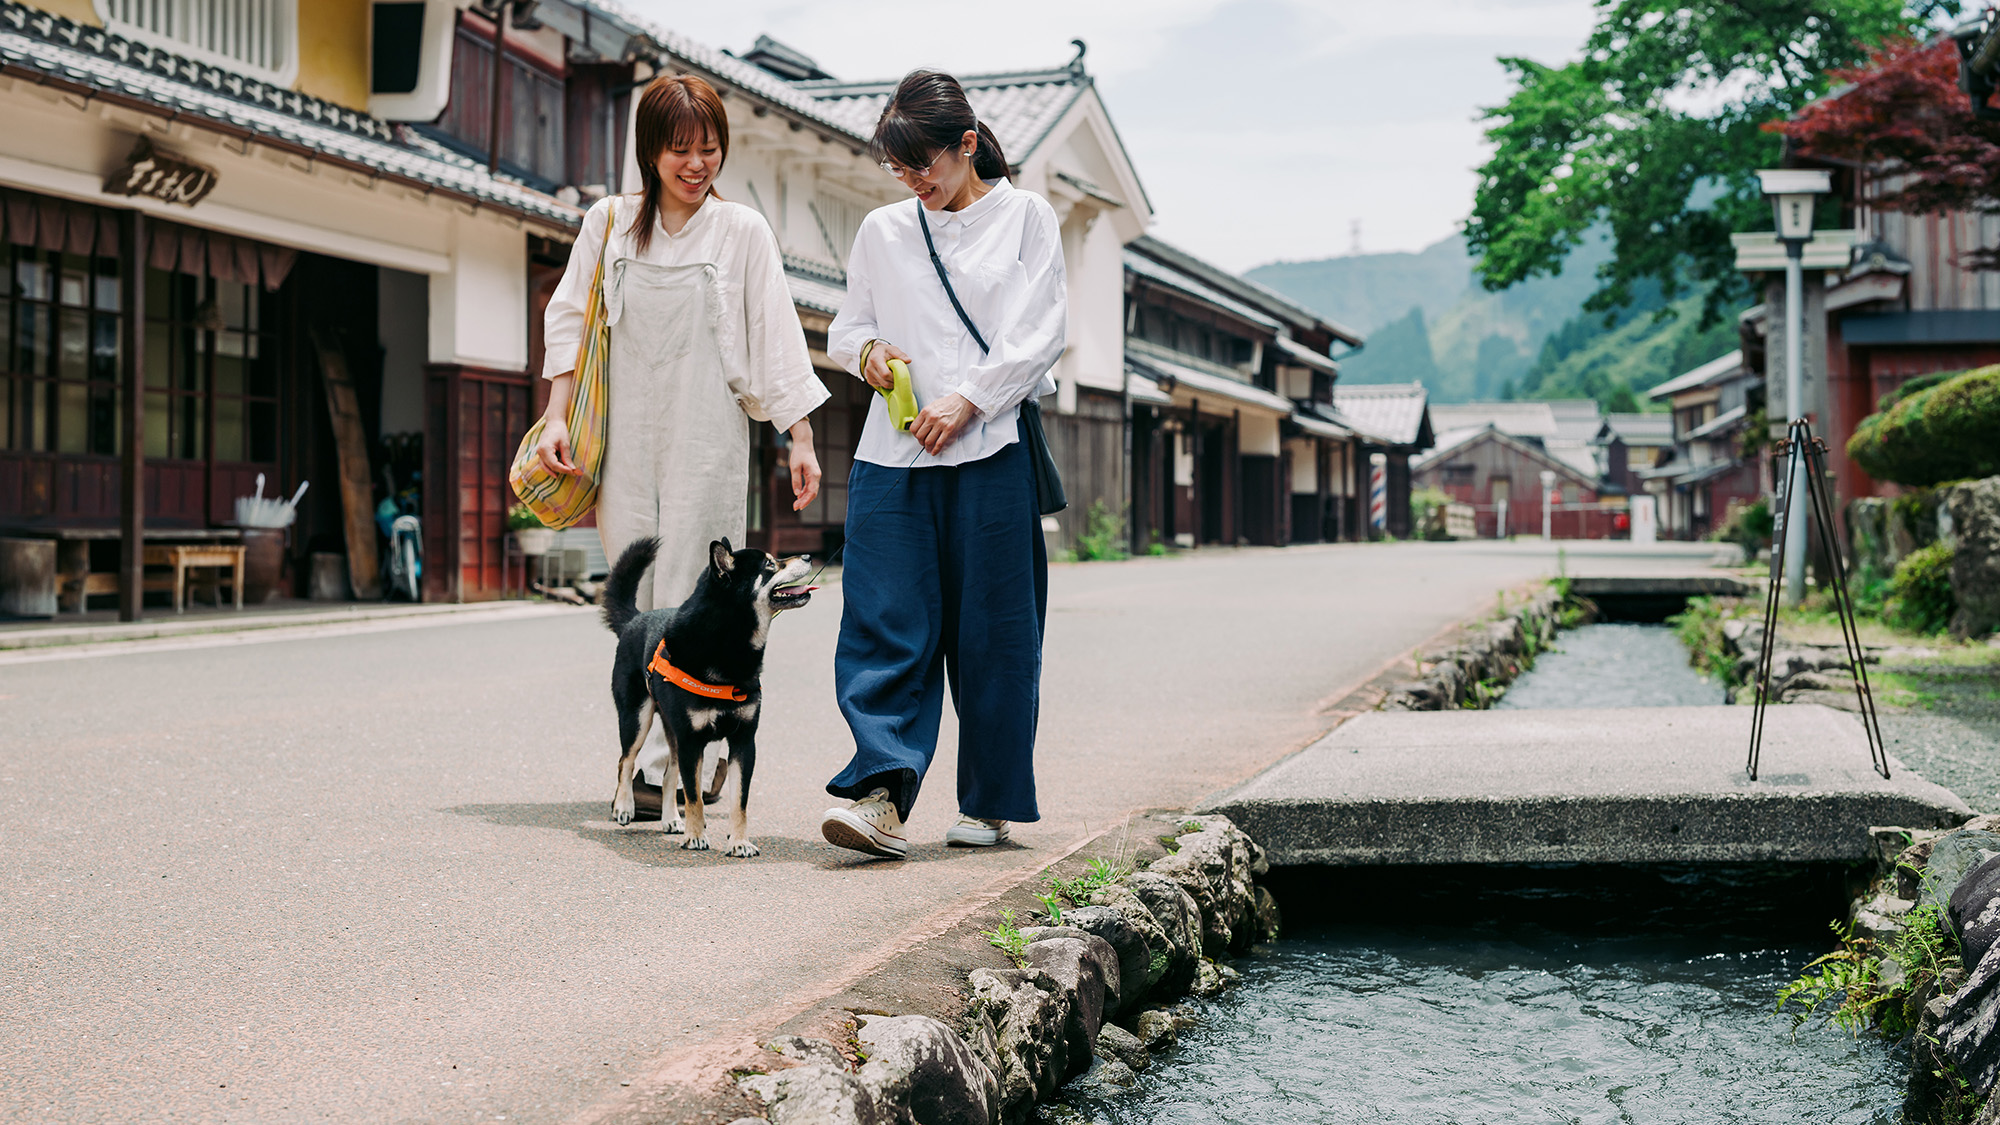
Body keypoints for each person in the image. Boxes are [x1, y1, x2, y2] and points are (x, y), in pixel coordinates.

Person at [536, 74, 828, 809]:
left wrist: (800, 435)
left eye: (710, 148)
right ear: (649, 151)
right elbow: (570, 318)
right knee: (641, 604)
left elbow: (777, 335)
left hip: (709, 438)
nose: (697, 165)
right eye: (680, 150)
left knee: (697, 601)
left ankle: (665, 768)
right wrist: (556, 413)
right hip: (626, 437)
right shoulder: (607, 223)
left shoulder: (742, 232)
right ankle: (652, 748)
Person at [818, 70, 1068, 859]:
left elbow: (1039, 333)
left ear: (967, 144)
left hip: (991, 451)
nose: (914, 180)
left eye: (925, 162)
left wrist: (967, 399)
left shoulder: (1026, 217)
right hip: (891, 456)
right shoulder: (882, 231)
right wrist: (869, 353)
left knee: (996, 633)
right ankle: (880, 795)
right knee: (883, 622)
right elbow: (844, 325)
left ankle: (990, 801)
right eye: (900, 169)